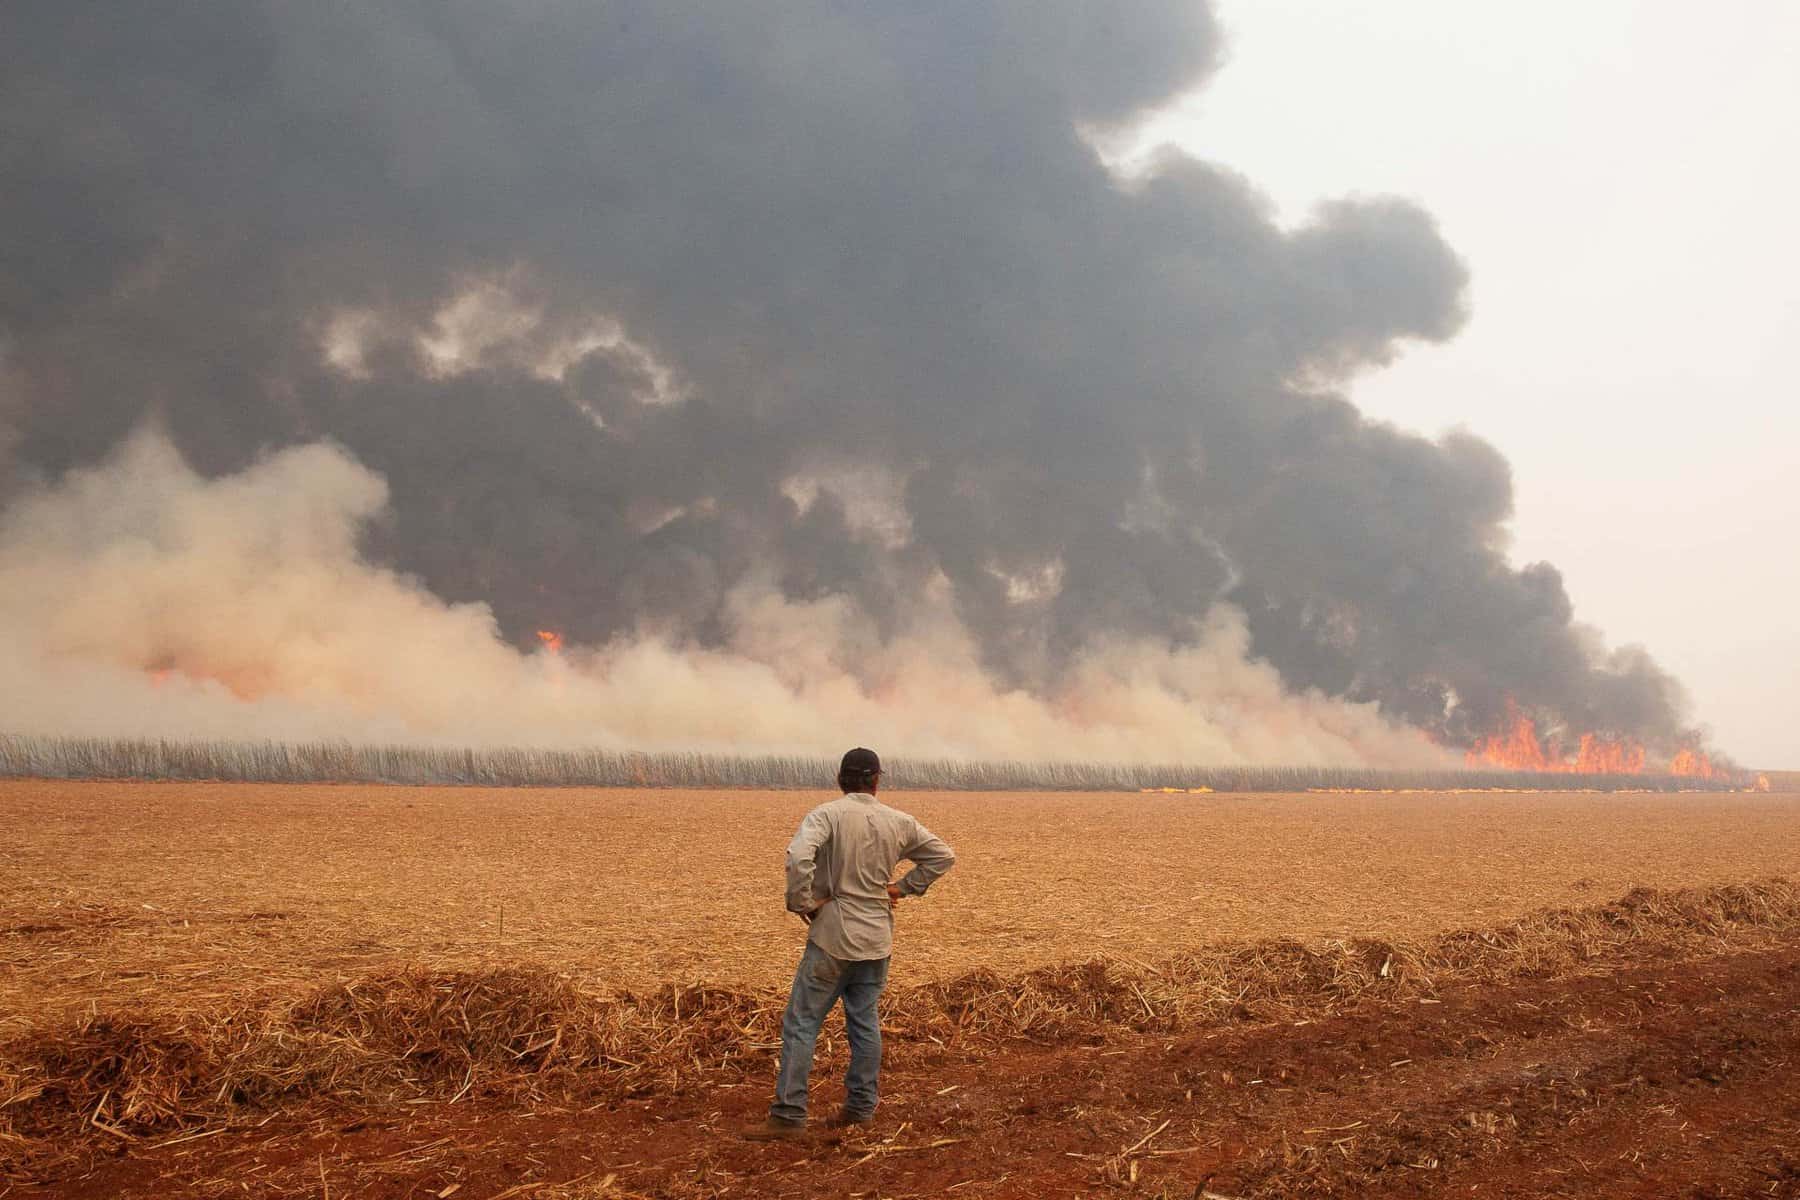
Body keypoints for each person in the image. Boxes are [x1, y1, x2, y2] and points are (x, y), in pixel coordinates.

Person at [743, 747, 956, 1140]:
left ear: (841, 779)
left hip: (833, 937)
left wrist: (802, 903)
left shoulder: (827, 815)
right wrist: (902, 888)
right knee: (864, 1022)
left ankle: (789, 1115)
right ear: (877, 780)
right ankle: (860, 1109)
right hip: (877, 939)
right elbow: (942, 856)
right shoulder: (899, 821)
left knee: (802, 1023)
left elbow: (798, 856)